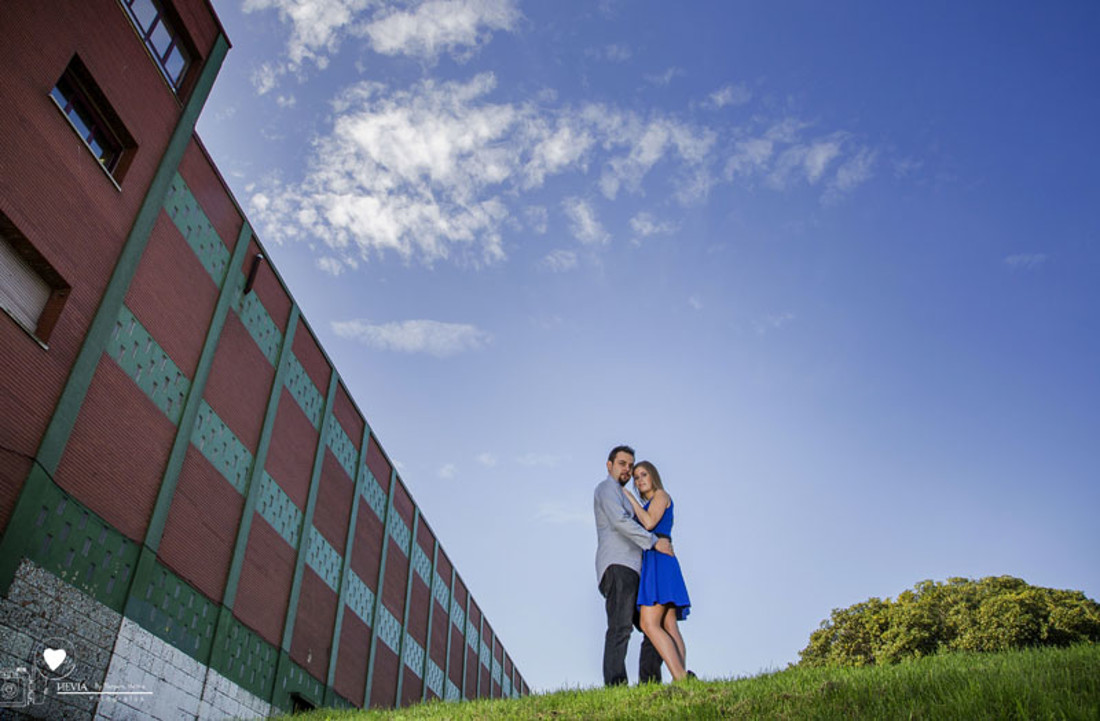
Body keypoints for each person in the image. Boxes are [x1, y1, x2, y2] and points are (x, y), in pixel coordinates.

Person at [594, 445, 675, 686]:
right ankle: (615, 685)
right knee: (620, 627)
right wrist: (654, 542)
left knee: (653, 626)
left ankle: (649, 681)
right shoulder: (606, 488)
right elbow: (619, 522)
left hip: (636, 569)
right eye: (622, 464)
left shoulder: (624, 496)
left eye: (631, 465)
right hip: (618, 566)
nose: (627, 470)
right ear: (609, 465)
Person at [622, 460, 692, 681]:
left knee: (648, 623)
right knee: (668, 624)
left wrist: (628, 496)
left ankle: (681, 677)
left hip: (660, 560)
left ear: (653, 476)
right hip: (654, 559)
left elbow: (650, 522)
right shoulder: (648, 503)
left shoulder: (661, 496)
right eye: (636, 477)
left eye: (643, 475)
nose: (639, 480)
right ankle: (683, 680)